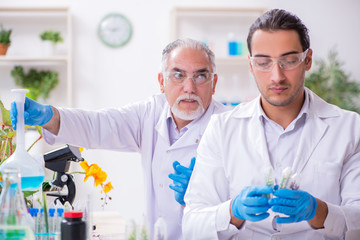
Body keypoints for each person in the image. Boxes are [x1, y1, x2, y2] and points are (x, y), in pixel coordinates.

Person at [10, 38, 228, 239]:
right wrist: (50, 116)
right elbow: (98, 125)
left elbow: (243, 212)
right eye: (178, 75)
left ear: (215, 82)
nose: (189, 88)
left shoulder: (230, 128)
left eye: (200, 76)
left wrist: (204, 194)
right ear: (162, 81)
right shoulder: (150, 113)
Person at [182, 9, 360, 239]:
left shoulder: (350, 128)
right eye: (264, 62)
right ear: (250, 64)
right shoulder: (222, 129)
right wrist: (232, 212)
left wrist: (320, 211)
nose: (277, 76)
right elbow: (192, 225)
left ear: (307, 60)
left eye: (289, 60)